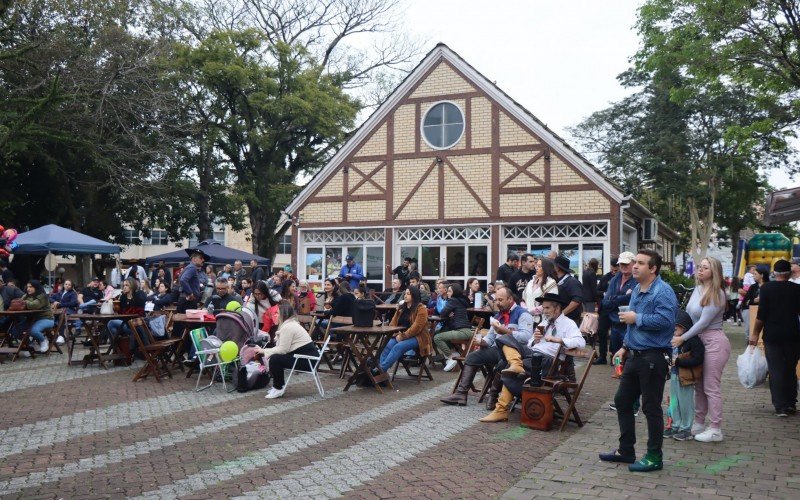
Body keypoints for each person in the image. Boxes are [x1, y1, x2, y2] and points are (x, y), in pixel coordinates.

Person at [600, 249, 677, 473]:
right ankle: (626, 450)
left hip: (653, 357)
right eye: (635, 263)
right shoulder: (637, 290)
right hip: (634, 354)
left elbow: (666, 321)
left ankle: (655, 456)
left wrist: (638, 318)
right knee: (623, 401)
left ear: (652, 269)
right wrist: (624, 347)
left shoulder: (663, 291)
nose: (634, 266)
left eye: (641, 263)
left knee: (651, 408)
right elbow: (632, 324)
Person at [480, 292, 585, 422]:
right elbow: (530, 343)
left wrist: (558, 340)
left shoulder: (568, 323)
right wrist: (534, 340)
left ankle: (501, 410)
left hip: (547, 360)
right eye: (543, 308)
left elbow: (581, 342)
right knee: (505, 338)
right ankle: (516, 364)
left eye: (547, 308)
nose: (544, 311)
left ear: (557, 308)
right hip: (532, 353)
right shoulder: (544, 322)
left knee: (508, 368)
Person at [672, 256, 730, 443]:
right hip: (697, 341)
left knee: (710, 387)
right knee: (698, 384)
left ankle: (715, 428)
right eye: (700, 267)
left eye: (705, 267)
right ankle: (698, 422)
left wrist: (682, 338)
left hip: (713, 341)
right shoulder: (697, 289)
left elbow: (704, 322)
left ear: (714, 271)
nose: (700, 270)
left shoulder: (717, 293)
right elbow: (689, 316)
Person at [440, 286, 524, 407]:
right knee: (472, 357)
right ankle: (461, 394)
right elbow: (490, 338)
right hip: (497, 349)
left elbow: (526, 337)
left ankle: (494, 397)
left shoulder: (522, 314)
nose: (497, 303)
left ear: (510, 299)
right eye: (496, 300)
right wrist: (482, 342)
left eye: (501, 300)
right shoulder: (497, 316)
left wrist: (505, 331)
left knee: (502, 363)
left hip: (513, 351)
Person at [750, 259, 800, 417]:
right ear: (790, 273)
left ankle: (780, 406)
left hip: (772, 335)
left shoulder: (767, 289)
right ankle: (791, 402)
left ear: (774, 273)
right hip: (793, 334)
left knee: (776, 369)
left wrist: (755, 333)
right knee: (790, 368)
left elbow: (761, 315)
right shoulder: (797, 289)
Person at [258, 303, 319, 399]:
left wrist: (264, 351)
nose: (275, 316)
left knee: (275, 359)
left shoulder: (288, 327)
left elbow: (283, 350)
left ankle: (278, 388)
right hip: (307, 358)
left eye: (277, 313)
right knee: (276, 358)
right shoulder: (290, 324)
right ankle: (278, 386)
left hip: (308, 361)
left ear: (284, 315)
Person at [665, 310, 704, 441]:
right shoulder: (673, 340)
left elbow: (698, 359)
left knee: (685, 403)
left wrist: (679, 361)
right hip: (675, 376)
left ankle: (686, 429)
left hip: (685, 378)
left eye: (676, 328)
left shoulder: (693, 341)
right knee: (674, 402)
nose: (673, 331)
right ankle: (675, 425)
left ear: (685, 327)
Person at [378, 286, 431, 373]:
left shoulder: (421, 309)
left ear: (414, 296)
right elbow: (393, 323)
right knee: (387, 344)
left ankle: (380, 371)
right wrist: (394, 332)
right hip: (401, 335)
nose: (405, 296)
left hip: (419, 337)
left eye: (408, 294)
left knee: (398, 347)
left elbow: (416, 328)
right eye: (405, 294)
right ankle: (381, 373)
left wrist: (402, 336)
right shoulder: (402, 307)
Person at [601, 251, 637, 364]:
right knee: (616, 352)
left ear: (633, 264)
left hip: (629, 324)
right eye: (621, 264)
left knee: (629, 353)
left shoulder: (637, 280)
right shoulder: (615, 279)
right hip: (615, 322)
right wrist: (623, 297)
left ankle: (627, 375)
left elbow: (632, 299)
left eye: (626, 264)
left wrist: (614, 299)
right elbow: (605, 302)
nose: (623, 266)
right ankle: (618, 371)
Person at [434, 283, 474, 372]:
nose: (448, 293)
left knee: (437, 338)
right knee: (437, 333)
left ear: (454, 292)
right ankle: (454, 353)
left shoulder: (453, 300)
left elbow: (442, 313)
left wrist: (448, 314)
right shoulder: (461, 300)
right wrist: (449, 314)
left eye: (449, 291)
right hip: (465, 330)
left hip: (462, 331)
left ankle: (451, 358)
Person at [104, 278, 147, 354]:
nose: (124, 287)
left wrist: (126, 314)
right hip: (125, 323)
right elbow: (120, 312)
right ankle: (118, 346)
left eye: (127, 285)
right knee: (109, 325)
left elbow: (140, 313)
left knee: (110, 323)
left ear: (132, 286)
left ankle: (116, 347)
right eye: (124, 285)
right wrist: (114, 305)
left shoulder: (138, 296)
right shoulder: (123, 297)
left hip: (134, 325)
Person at [15, 280, 55, 353]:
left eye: (31, 287)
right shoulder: (26, 296)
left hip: (46, 319)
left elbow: (34, 305)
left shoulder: (42, 296)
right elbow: (19, 302)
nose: (28, 289)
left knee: (33, 331)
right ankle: (30, 345)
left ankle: (43, 341)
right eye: (27, 287)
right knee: (15, 330)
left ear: (36, 287)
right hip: (32, 319)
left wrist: (23, 302)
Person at [594, 256, 619, 365]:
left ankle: (615, 357)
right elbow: (597, 291)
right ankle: (602, 356)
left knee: (616, 334)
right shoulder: (606, 277)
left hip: (616, 310)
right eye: (612, 270)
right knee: (602, 332)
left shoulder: (623, 279)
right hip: (604, 310)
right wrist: (604, 294)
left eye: (616, 270)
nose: (613, 272)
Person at [522, 257, 559, 322]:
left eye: (539, 266)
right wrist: (525, 310)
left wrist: (532, 311)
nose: (536, 268)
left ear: (545, 268)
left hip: (542, 320)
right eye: (536, 265)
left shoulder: (551, 283)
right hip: (526, 319)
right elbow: (523, 299)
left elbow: (551, 302)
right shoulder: (531, 282)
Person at [553, 255, 584, 326]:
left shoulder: (571, 282)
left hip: (570, 321)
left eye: (554, 265)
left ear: (557, 268)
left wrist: (561, 314)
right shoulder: (558, 281)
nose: (552, 268)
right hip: (561, 320)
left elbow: (576, 301)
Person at [740, 268, 768, 342]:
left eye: (755, 274)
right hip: (751, 311)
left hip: (766, 313)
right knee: (750, 329)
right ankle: (750, 344)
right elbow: (746, 300)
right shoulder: (753, 287)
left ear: (761, 275)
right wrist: (754, 301)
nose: (753, 276)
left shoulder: (769, 286)